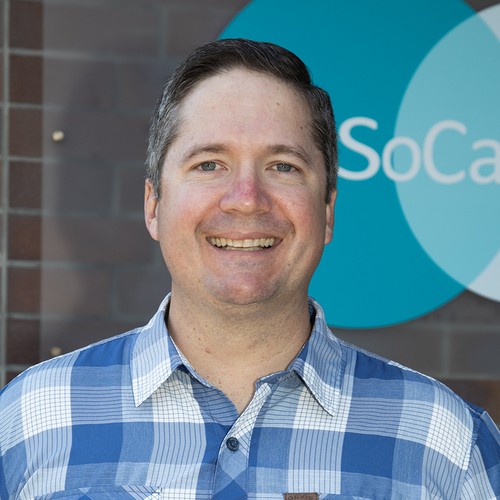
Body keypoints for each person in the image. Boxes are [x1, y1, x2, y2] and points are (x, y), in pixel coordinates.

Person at [0, 38, 498, 499]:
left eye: (283, 166)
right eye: (208, 164)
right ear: (153, 205)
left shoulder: (445, 444)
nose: (245, 199)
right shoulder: (30, 423)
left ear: (327, 211)